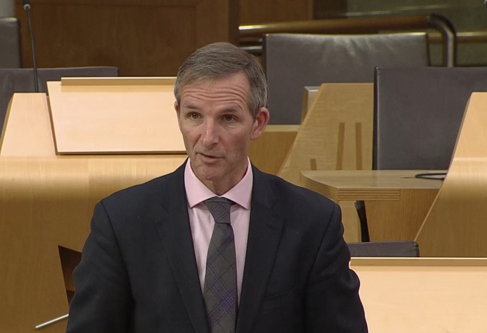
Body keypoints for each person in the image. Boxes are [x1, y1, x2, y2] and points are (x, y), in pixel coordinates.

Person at [66, 42, 367, 333]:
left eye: (228, 118)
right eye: (194, 115)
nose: (208, 137)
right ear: (178, 115)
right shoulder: (122, 223)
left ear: (258, 123)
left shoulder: (313, 223)